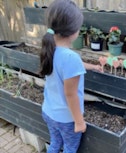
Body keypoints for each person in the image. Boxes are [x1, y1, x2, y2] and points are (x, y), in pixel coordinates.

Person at [39, 0, 102, 152]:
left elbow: (71, 67)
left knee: (54, 144)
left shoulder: (49, 49)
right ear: (74, 32)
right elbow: (71, 94)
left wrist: (93, 66)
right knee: (69, 148)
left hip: (48, 111)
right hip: (66, 119)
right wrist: (79, 122)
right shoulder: (70, 57)